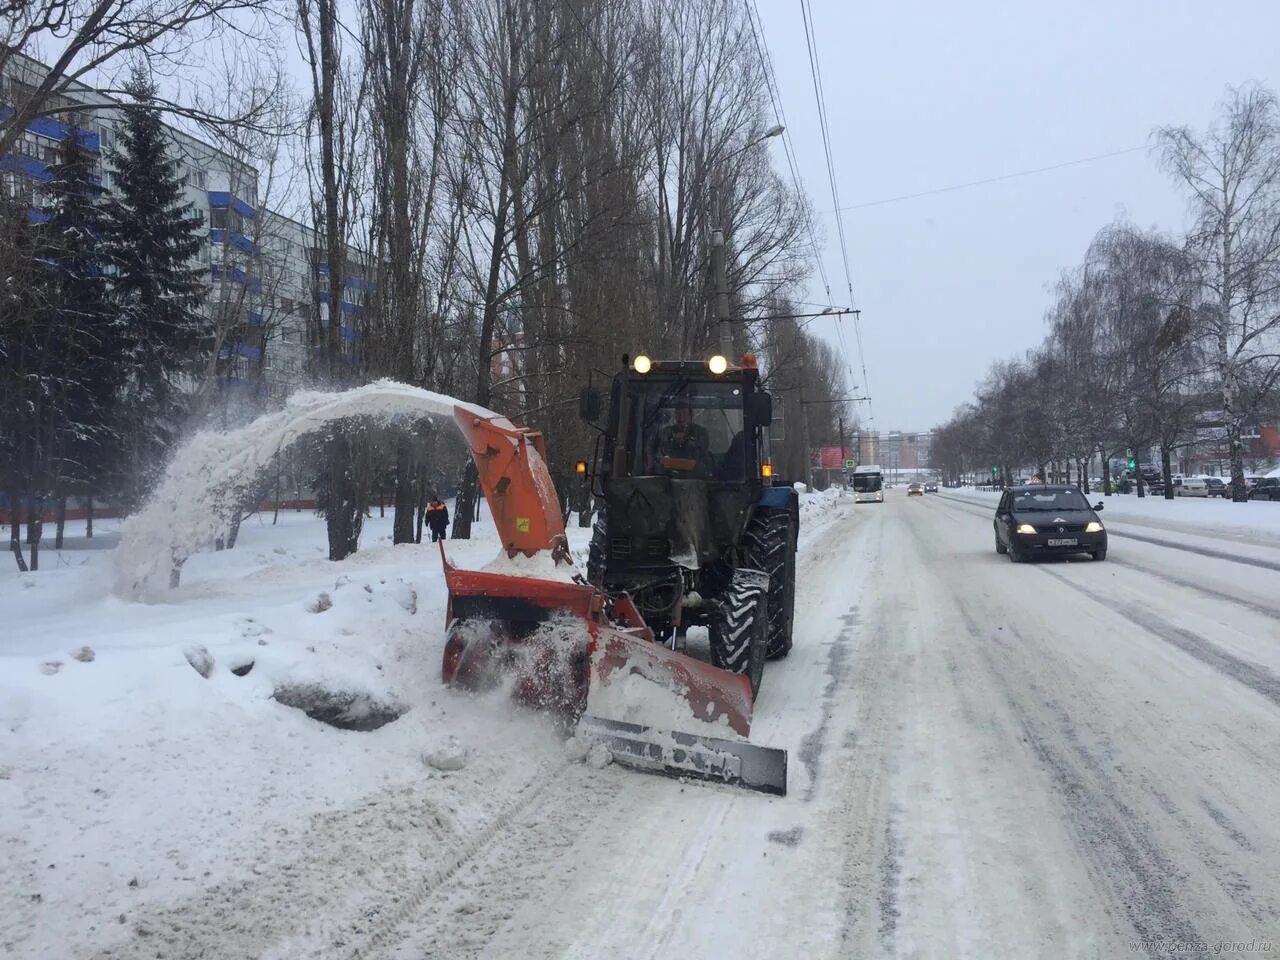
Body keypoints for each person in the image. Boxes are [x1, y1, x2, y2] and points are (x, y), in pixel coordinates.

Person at [654, 401, 712, 475]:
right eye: (678, 414)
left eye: (684, 414)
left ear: (690, 416)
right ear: (675, 415)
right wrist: (673, 441)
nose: (681, 418)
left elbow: (702, 450)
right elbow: (661, 451)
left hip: (695, 474)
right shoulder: (667, 432)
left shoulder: (700, 432)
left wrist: (686, 440)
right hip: (669, 473)